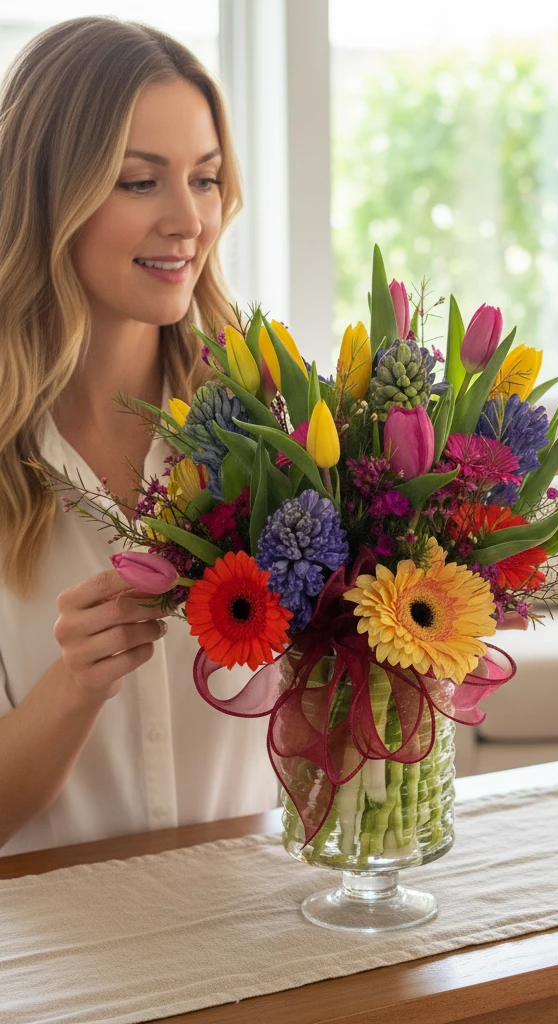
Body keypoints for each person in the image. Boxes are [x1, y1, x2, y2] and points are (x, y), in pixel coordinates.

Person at [0, 17, 279, 854]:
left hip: (261, 935)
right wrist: (75, 685)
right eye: (138, 182)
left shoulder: (274, 429)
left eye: (204, 179)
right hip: (55, 970)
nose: (188, 220)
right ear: (48, 193)